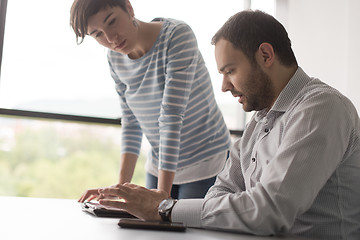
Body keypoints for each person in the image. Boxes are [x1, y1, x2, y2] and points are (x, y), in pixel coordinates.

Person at [96, 10, 360, 240]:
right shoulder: (260, 122)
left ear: (266, 55)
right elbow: (218, 194)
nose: (224, 87)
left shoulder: (322, 108)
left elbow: (268, 212)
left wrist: (166, 208)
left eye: (230, 71)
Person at [70, 0, 231, 201]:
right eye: (98, 34)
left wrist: (162, 196)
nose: (110, 38)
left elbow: (171, 115)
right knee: (152, 229)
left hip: (205, 160)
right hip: (159, 164)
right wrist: (119, 189)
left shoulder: (177, 36)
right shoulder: (115, 58)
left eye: (111, 22)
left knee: (186, 228)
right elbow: (131, 122)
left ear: (128, 8)